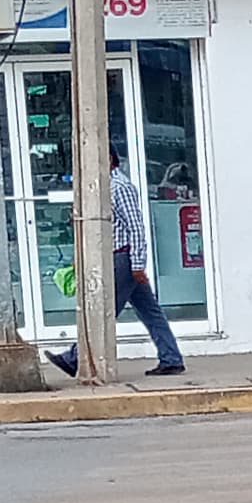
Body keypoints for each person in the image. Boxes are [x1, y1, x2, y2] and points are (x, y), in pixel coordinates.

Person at [50, 143, 185, 378]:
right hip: (119, 257)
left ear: (109, 160)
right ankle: (171, 358)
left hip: (123, 259)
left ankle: (73, 357)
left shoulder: (119, 187)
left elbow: (136, 227)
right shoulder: (105, 186)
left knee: (103, 310)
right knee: (150, 311)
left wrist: (137, 264)